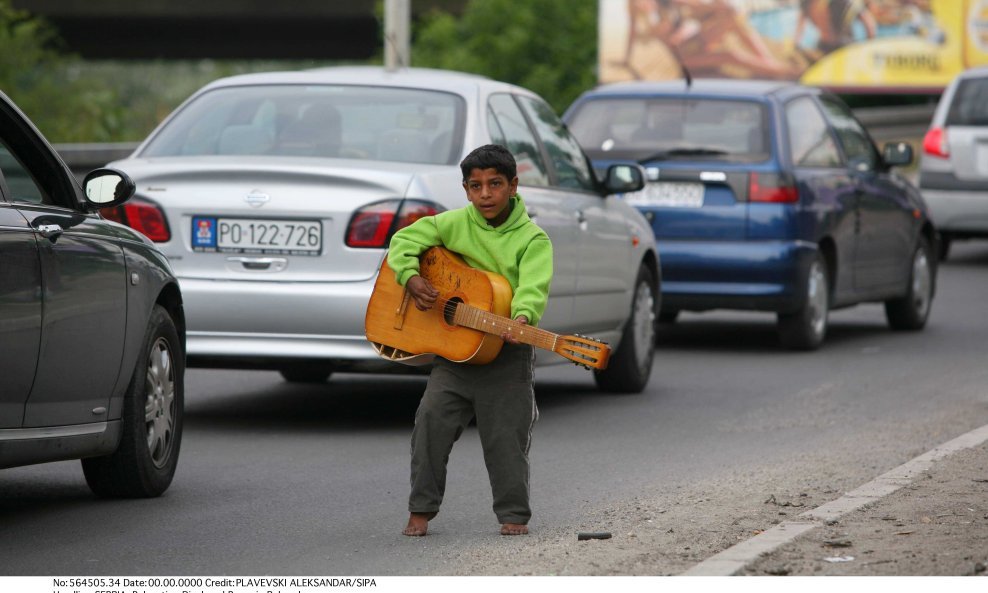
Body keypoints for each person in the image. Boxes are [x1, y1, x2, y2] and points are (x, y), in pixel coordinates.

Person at [386, 144, 553, 537]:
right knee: (429, 426)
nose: (486, 194)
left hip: (505, 357)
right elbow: (403, 242)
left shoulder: (533, 239)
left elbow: (534, 285)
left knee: (506, 440)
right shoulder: (452, 223)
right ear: (465, 189)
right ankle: (420, 510)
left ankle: (513, 515)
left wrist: (523, 317)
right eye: (475, 186)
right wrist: (410, 277)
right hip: (455, 355)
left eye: (495, 184)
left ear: (513, 186)